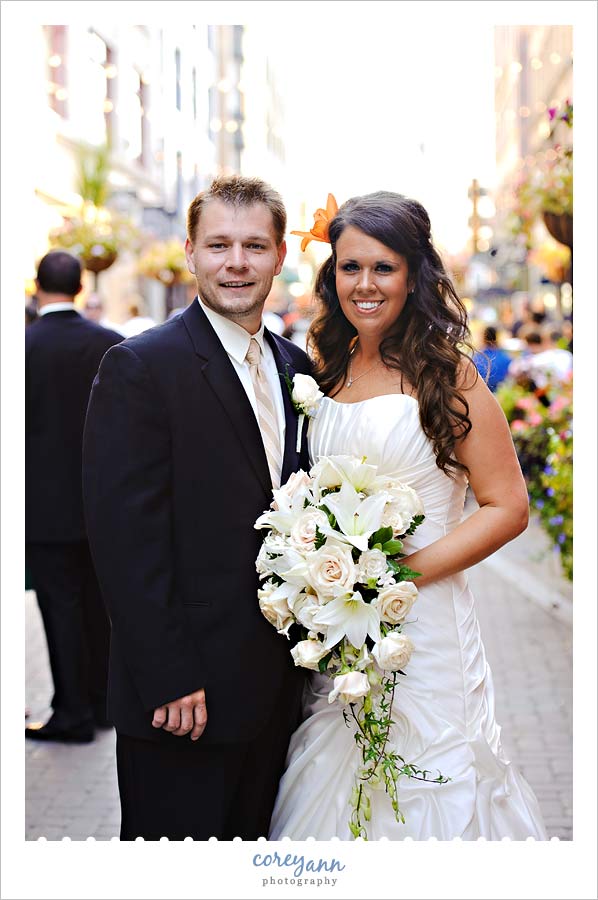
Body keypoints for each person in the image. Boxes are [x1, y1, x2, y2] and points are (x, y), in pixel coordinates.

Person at [269, 191, 547, 840]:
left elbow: (508, 506)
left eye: (383, 267)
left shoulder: (448, 375)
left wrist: (394, 576)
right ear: (330, 273)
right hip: (342, 626)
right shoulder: (325, 369)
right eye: (349, 267)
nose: (364, 284)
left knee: (431, 790)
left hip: (423, 631)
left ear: (414, 274)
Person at [82, 175, 311, 840]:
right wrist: (169, 676)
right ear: (189, 252)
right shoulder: (140, 367)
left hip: (277, 696)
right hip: (184, 700)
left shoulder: (299, 368)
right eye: (218, 245)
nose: (236, 263)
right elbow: (125, 541)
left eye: (253, 246)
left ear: (279, 254)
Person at [25, 251, 123, 743]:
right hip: (100, 500)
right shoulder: (109, 344)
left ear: (38, 287)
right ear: (81, 286)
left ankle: (72, 713)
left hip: (42, 507)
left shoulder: (23, 346)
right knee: (95, 604)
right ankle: (103, 703)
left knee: (59, 607)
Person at [472, 325, 512, 392]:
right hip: (500, 394)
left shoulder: (477, 358)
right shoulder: (506, 358)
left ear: (483, 338)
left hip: (482, 393)